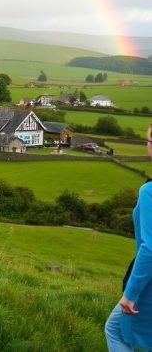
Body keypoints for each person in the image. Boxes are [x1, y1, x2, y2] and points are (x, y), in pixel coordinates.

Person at [104, 123, 152, 351]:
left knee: (116, 331)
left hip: (148, 286)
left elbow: (150, 248)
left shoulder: (149, 192)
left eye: (149, 140)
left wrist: (130, 295)